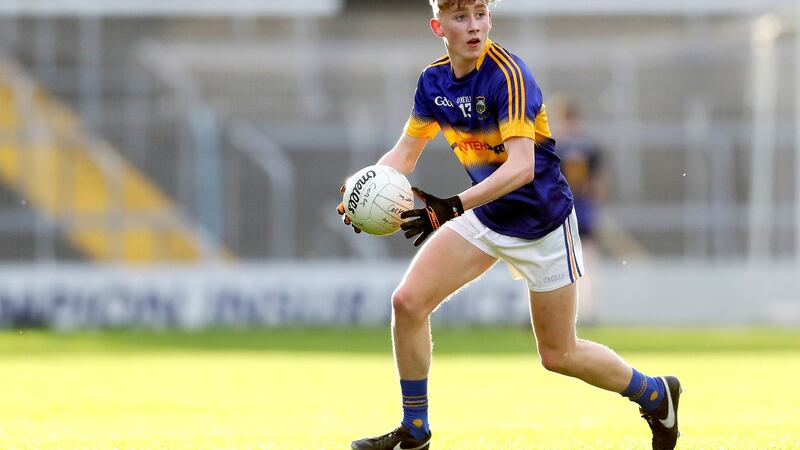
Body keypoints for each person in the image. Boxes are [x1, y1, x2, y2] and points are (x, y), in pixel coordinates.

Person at [336, 1, 681, 449]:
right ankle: (414, 430)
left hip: (543, 224)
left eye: (481, 13)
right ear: (438, 25)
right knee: (407, 303)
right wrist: (358, 191)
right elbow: (404, 154)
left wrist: (451, 206)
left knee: (559, 355)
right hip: (486, 215)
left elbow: (520, 168)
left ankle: (655, 394)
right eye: (461, 17)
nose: (474, 25)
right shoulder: (432, 82)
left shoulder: (509, 75)